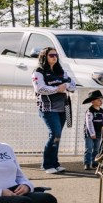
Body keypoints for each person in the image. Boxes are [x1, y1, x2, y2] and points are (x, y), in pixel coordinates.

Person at [32, 46, 75, 174]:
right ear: (44, 57)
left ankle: (55, 163)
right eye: (51, 55)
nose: (54, 57)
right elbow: (40, 88)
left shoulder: (61, 71)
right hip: (48, 108)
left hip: (64, 108)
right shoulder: (38, 71)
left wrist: (65, 85)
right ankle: (47, 165)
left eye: (56, 55)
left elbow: (72, 85)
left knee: (58, 136)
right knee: (55, 134)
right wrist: (57, 89)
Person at [82, 89, 103, 171]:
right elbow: (89, 123)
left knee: (97, 148)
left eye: (101, 99)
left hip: (99, 132)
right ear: (92, 101)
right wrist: (92, 133)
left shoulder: (102, 111)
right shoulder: (90, 111)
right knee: (89, 148)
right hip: (89, 133)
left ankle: (95, 162)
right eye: (98, 100)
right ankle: (87, 163)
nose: (101, 101)